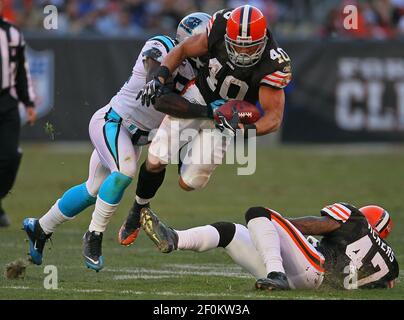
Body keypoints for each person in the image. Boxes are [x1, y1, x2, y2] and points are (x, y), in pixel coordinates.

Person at [23, 12, 211, 271]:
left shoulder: (202, 70)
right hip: (113, 123)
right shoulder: (163, 45)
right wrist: (156, 81)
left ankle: (40, 228)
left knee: (92, 190)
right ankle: (94, 235)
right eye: (204, 42)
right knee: (124, 173)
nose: (207, 49)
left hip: (134, 137)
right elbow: (153, 70)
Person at [119, 5, 292, 246]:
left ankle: (182, 150)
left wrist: (242, 130)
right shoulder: (220, 26)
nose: (241, 51)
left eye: (248, 46)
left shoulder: (274, 63)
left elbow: (273, 119)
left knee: (189, 183)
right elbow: (182, 49)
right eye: (237, 44)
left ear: (262, 40)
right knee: (156, 159)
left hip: (227, 119)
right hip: (199, 95)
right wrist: (159, 76)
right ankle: (138, 209)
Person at [140, 203, 398, 290]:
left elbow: (321, 225)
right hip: (311, 281)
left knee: (258, 213)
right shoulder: (390, 268)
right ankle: (175, 238)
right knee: (230, 232)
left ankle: (276, 273)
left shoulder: (356, 220)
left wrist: (278, 226)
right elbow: (382, 282)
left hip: (312, 267)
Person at [0, 0, 36, 227]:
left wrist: (29, 102)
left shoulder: (12, 33)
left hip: (6, 102)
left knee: (10, 157)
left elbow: (21, 70)